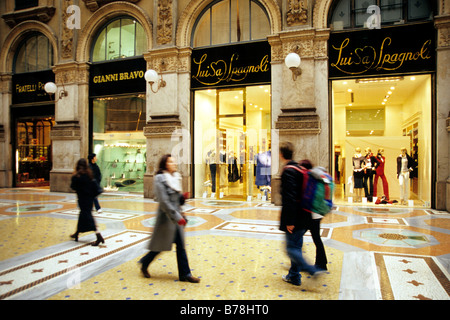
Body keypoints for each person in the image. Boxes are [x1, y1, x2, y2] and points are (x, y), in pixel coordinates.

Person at [138, 154, 200, 283]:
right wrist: (178, 217)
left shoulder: (175, 177)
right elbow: (164, 202)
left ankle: (185, 274)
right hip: (166, 219)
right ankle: (145, 262)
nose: (174, 164)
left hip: (176, 218)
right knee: (160, 246)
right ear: (165, 164)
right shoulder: (160, 179)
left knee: (181, 246)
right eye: (171, 162)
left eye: (174, 161)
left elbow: (176, 200)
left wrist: (182, 198)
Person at [279, 142, 325, 286]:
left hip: (295, 217)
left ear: (281, 154)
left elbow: (290, 198)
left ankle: (312, 270)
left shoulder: (288, 170)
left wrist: (290, 221)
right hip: (304, 214)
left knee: (291, 248)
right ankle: (294, 276)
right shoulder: (299, 168)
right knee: (296, 245)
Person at [299, 159, 328, 271]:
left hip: (311, 213)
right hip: (318, 212)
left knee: (297, 237)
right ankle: (322, 263)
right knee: (316, 238)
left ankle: (300, 262)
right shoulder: (318, 178)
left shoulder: (310, 178)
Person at [70, 158, 105, 246]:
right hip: (89, 200)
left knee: (87, 216)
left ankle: (98, 236)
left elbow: (73, 187)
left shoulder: (77, 176)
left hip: (82, 199)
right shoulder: (89, 175)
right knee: (83, 215)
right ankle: (77, 233)